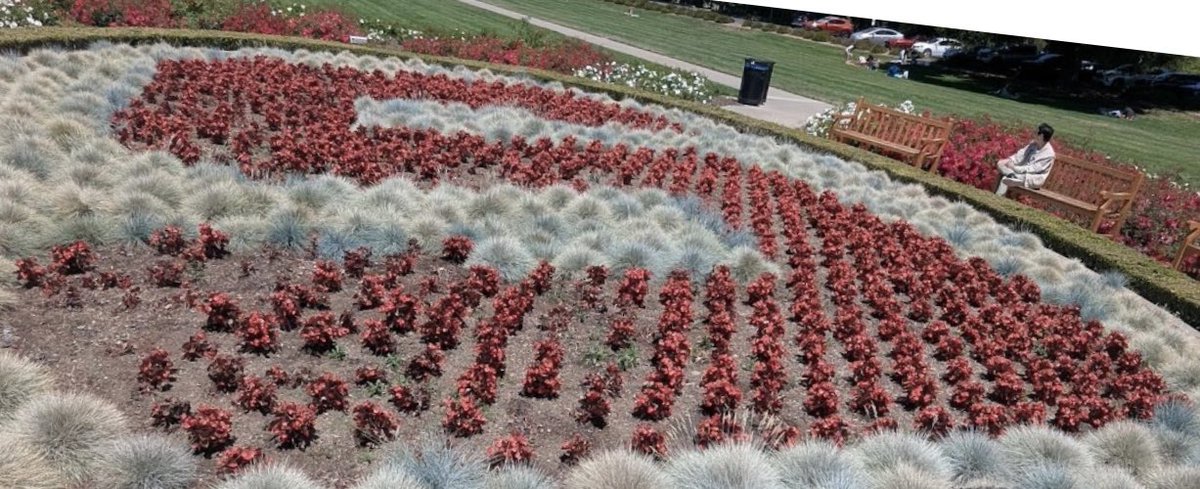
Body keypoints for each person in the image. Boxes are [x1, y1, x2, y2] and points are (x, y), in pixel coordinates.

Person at [995, 123, 1056, 196]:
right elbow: (1020, 155)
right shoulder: (1033, 144)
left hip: (1032, 178)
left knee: (1005, 179)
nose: (1033, 133)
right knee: (1001, 163)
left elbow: (1032, 169)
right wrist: (1010, 160)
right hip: (1018, 172)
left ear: (1041, 135)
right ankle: (1012, 175)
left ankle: (997, 198)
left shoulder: (1048, 154)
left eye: (1035, 132)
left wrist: (1014, 168)